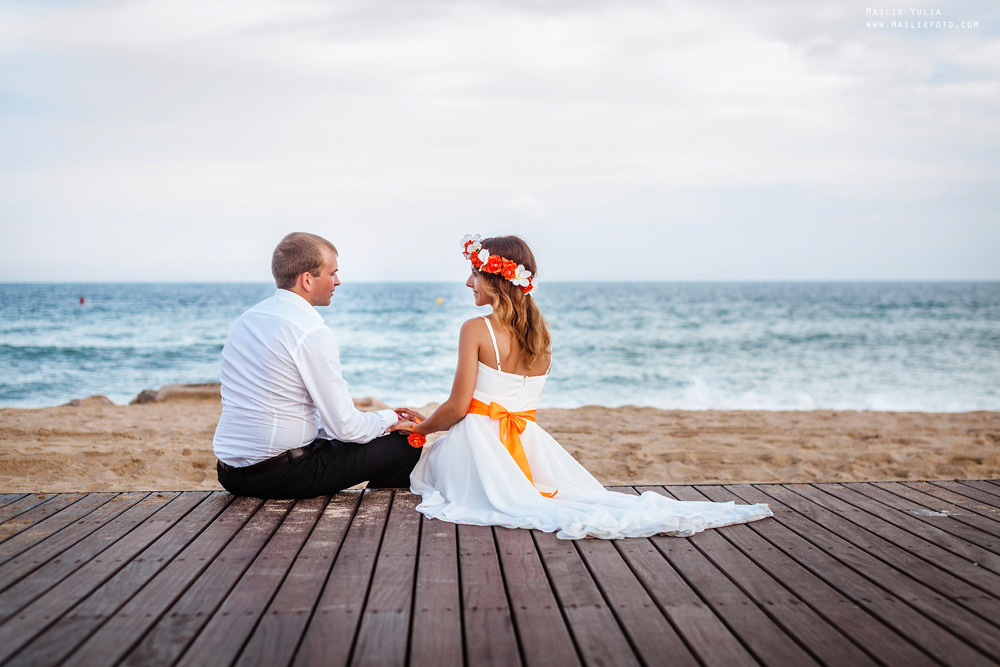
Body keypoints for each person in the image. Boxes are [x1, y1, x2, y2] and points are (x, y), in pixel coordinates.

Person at [405, 234, 772, 539]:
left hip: (481, 450)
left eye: (474, 274)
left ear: (496, 278)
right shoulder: (542, 336)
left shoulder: (476, 328)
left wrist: (419, 430)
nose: (468, 283)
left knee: (432, 470)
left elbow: (457, 408)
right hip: (528, 447)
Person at [213, 232, 421, 499]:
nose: (338, 281)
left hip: (230, 475)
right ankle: (379, 517)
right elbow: (345, 429)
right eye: (332, 273)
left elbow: (288, 406)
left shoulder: (248, 319)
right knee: (404, 444)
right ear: (307, 279)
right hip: (281, 476)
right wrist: (393, 417)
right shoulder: (310, 330)